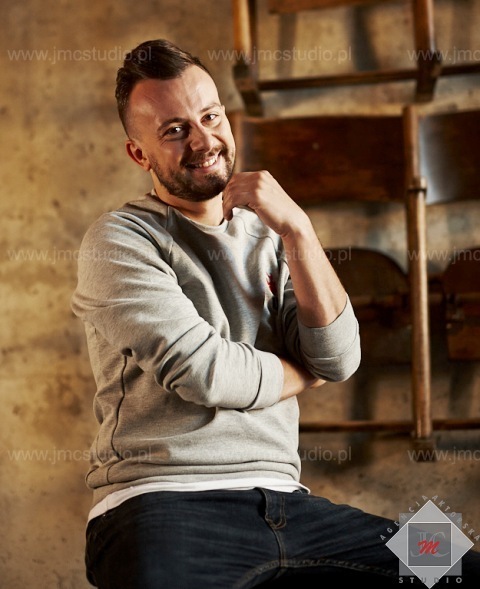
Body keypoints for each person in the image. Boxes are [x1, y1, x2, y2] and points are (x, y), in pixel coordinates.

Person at [71, 39, 480, 588]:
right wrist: (301, 373)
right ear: (139, 155)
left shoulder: (269, 234)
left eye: (210, 116)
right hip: (164, 502)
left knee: (456, 562)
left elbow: (338, 358)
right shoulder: (118, 240)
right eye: (175, 130)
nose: (203, 141)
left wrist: (298, 230)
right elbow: (207, 373)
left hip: (292, 507)